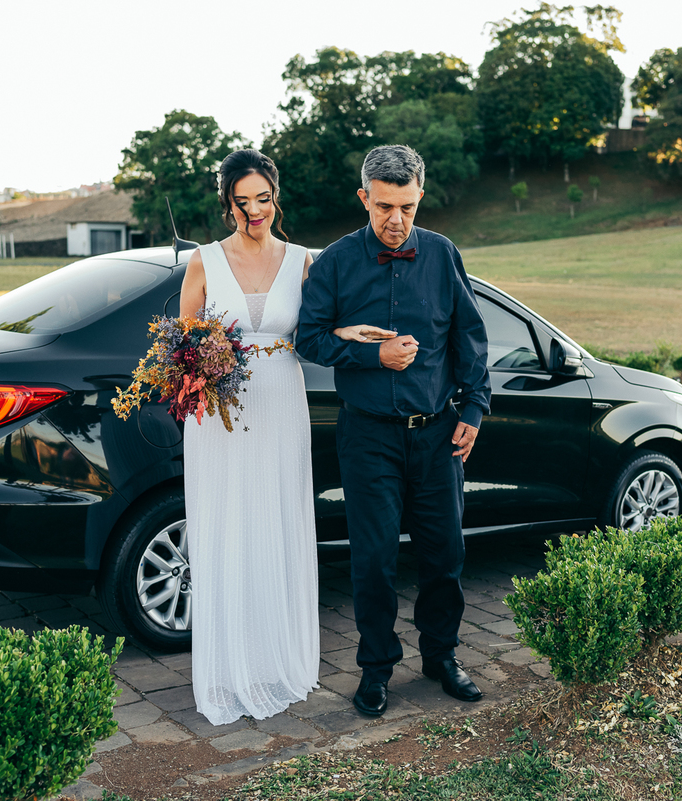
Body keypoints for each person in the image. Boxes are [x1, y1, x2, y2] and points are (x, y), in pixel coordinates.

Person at [180, 149, 379, 725]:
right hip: (220, 416)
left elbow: (317, 329)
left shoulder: (303, 261)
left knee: (277, 521)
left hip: (281, 405)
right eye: (242, 202)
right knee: (229, 527)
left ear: (275, 197)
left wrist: (349, 331)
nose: (254, 212)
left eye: (262, 199)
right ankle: (229, 669)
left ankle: (274, 660)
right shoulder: (203, 261)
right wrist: (196, 365)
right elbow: (180, 347)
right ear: (228, 204)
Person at [297, 144, 491, 717]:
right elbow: (308, 339)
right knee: (374, 560)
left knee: (444, 554)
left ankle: (441, 657)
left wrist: (474, 409)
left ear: (420, 197)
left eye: (407, 207)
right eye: (384, 207)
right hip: (368, 437)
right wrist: (371, 356)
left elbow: (469, 337)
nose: (396, 220)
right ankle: (376, 669)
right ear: (364, 198)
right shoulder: (335, 262)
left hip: (438, 435)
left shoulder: (443, 254)